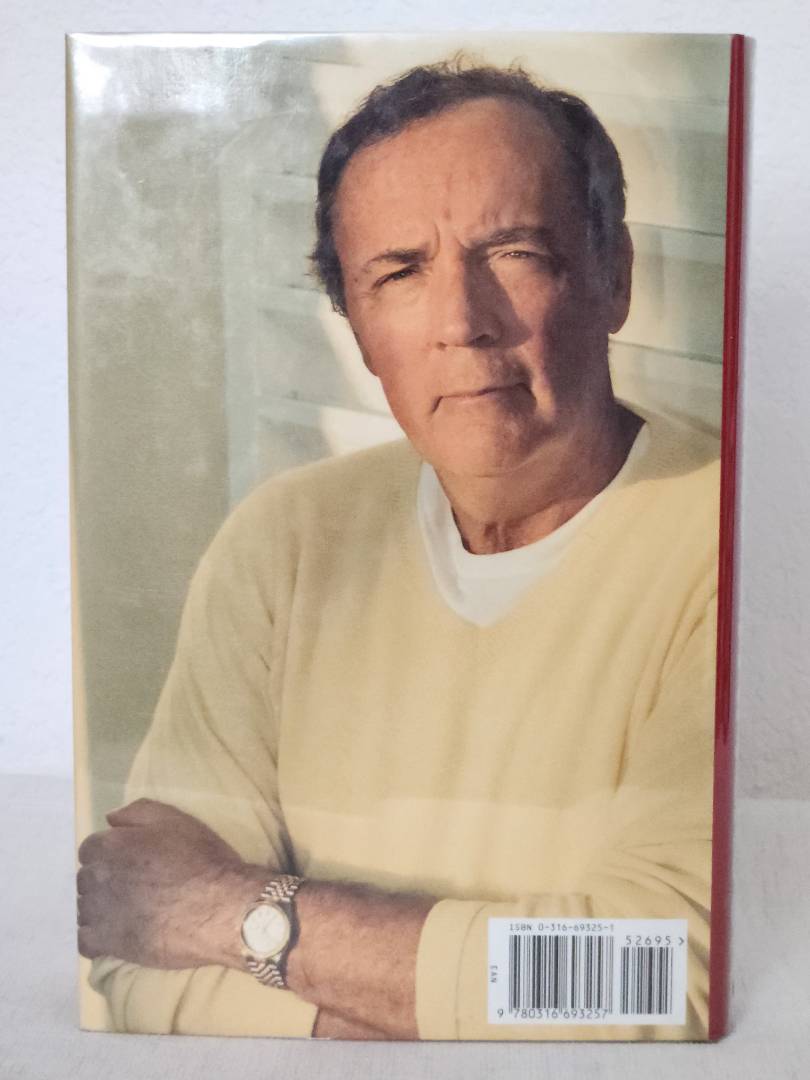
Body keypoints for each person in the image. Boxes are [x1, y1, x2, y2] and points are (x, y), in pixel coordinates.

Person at [77, 59, 720, 1042]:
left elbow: (661, 982)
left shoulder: (737, 549)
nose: (462, 323)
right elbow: (133, 946)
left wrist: (222, 911)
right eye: (399, 273)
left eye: (514, 252)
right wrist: (458, 1012)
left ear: (614, 276)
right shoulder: (284, 544)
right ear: (358, 328)